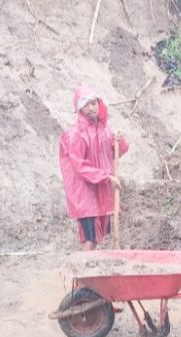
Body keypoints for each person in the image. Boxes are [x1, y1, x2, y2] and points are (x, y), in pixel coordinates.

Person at [59, 82, 128, 250]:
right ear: (80, 109)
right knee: (89, 239)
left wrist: (120, 140)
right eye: (86, 105)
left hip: (101, 192)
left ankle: (89, 272)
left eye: (94, 103)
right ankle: (82, 274)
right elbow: (79, 167)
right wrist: (106, 177)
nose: (91, 108)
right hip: (84, 194)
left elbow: (117, 151)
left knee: (98, 237)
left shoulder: (104, 129)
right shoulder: (74, 134)